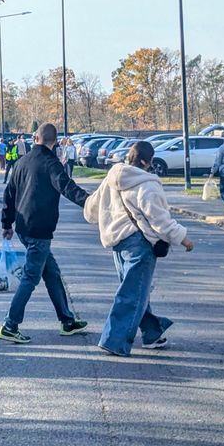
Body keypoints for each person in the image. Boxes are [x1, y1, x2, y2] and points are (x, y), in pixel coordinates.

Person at [83, 141, 193, 356]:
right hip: (139, 243)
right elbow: (160, 220)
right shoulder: (147, 184)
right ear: (146, 161)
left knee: (136, 291)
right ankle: (114, 341)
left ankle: (152, 332)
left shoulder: (112, 177)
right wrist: (183, 239)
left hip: (117, 242)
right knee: (132, 294)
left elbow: (91, 209)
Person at [0, 123, 89, 344]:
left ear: (35, 138)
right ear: (55, 141)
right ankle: (10, 325)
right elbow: (67, 187)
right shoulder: (50, 163)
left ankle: (67, 321)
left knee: (52, 273)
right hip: (40, 229)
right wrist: (91, 202)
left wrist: (6, 223)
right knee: (31, 277)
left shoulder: (21, 162)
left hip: (23, 227)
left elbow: (9, 194)